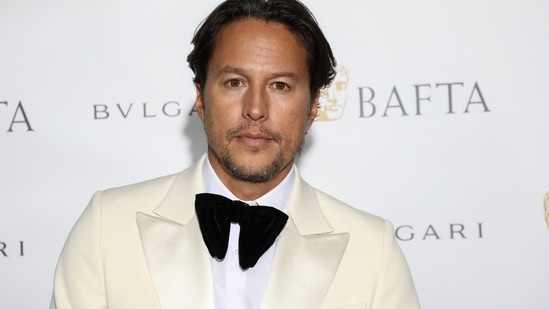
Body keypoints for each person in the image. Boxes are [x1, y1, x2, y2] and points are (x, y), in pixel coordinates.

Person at [50, 0, 420, 308]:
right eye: (234, 82)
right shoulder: (107, 227)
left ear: (312, 107)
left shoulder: (372, 251)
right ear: (200, 98)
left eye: (280, 85)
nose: (255, 108)